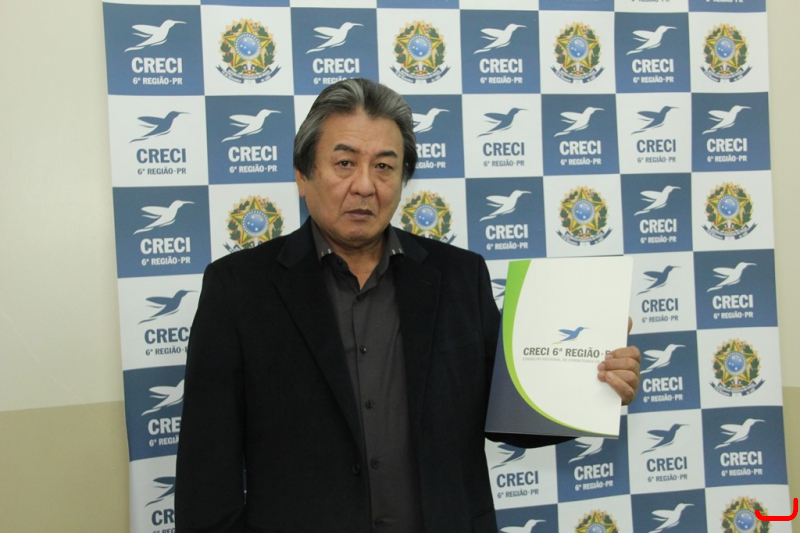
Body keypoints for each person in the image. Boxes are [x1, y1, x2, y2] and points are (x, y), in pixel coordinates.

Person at [175, 78, 640, 533]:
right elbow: (206, 470)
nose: (364, 185)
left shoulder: (459, 276)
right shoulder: (238, 289)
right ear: (303, 174)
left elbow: (507, 416)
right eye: (344, 163)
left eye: (384, 166)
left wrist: (592, 385)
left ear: (403, 179)